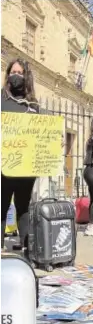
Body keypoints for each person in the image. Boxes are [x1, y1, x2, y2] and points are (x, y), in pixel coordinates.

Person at [1, 58, 39, 253]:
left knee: (23, 206)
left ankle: (26, 246)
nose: (16, 76)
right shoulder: (1, 99)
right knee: (2, 205)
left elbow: (41, 133)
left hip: (26, 167)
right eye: (12, 72)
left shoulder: (33, 105)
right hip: (5, 165)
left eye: (20, 73)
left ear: (26, 77)